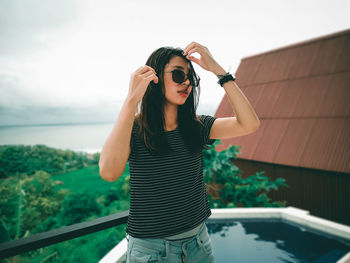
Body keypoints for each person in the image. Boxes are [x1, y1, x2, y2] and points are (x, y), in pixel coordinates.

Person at [99, 42, 260, 263]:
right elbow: (108, 172)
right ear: (154, 78)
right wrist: (131, 100)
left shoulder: (197, 127)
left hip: (199, 244)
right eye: (177, 74)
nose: (186, 83)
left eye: (190, 78)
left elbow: (249, 124)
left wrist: (218, 71)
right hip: (151, 252)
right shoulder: (135, 130)